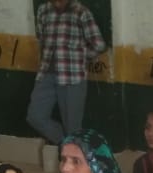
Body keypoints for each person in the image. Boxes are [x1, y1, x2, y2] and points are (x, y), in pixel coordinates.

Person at [26, 0, 106, 145]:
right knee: (35, 117)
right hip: (46, 74)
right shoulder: (43, 10)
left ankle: (73, 151)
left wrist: (79, 56)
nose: (58, 2)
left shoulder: (81, 12)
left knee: (72, 127)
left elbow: (99, 45)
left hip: (72, 77)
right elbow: (41, 37)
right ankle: (67, 143)